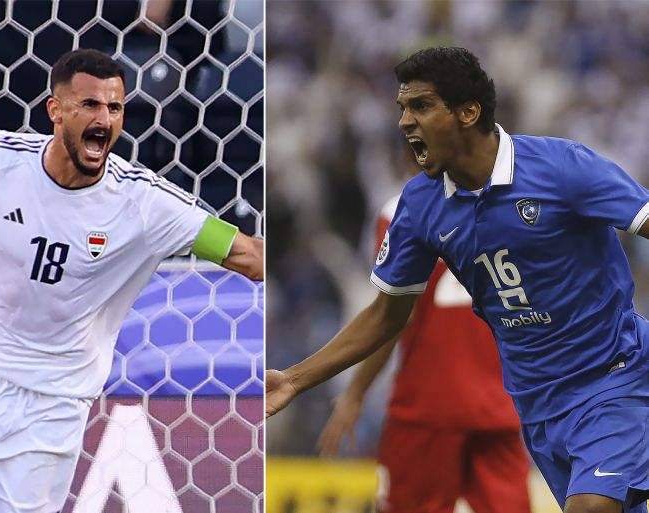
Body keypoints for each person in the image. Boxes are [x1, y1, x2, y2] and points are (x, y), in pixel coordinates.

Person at [267, 46, 649, 513]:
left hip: (615, 376)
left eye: (421, 106)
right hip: (537, 407)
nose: (405, 121)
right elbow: (386, 317)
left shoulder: (562, 168)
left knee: (592, 508)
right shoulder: (420, 206)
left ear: (468, 112)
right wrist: (293, 379)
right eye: (402, 108)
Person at [0, 48, 262, 513]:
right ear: (55, 111)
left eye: (115, 108)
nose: (105, 118)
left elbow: (249, 255)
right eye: (90, 105)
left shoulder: (146, 202)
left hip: (53, 401)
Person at [316, 191, 530, 513]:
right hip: (498, 401)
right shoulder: (515, 202)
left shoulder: (402, 209)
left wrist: (356, 392)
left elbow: (393, 316)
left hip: (427, 402)